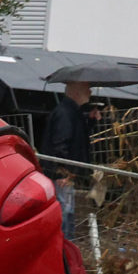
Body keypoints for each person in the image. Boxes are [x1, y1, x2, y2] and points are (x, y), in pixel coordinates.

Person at [41, 77, 95, 240]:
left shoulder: (70, 112)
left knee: (67, 210)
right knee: (64, 211)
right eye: (87, 87)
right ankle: (62, 250)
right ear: (77, 91)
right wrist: (62, 172)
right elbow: (60, 144)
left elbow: (74, 138)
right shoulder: (66, 113)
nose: (90, 91)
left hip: (65, 173)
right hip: (62, 174)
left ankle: (65, 249)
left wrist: (90, 121)